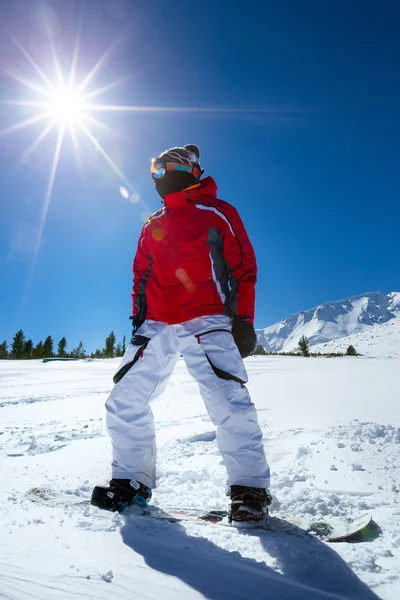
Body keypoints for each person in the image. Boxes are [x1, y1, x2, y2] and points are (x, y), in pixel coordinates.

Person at [91, 144, 271, 522]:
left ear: (190, 170)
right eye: (153, 172)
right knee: (124, 401)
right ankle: (131, 481)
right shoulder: (151, 223)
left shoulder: (218, 212)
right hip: (156, 323)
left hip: (206, 318)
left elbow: (243, 268)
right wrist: (139, 321)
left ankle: (248, 490)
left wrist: (244, 320)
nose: (158, 177)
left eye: (164, 169)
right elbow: (140, 277)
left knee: (228, 400)